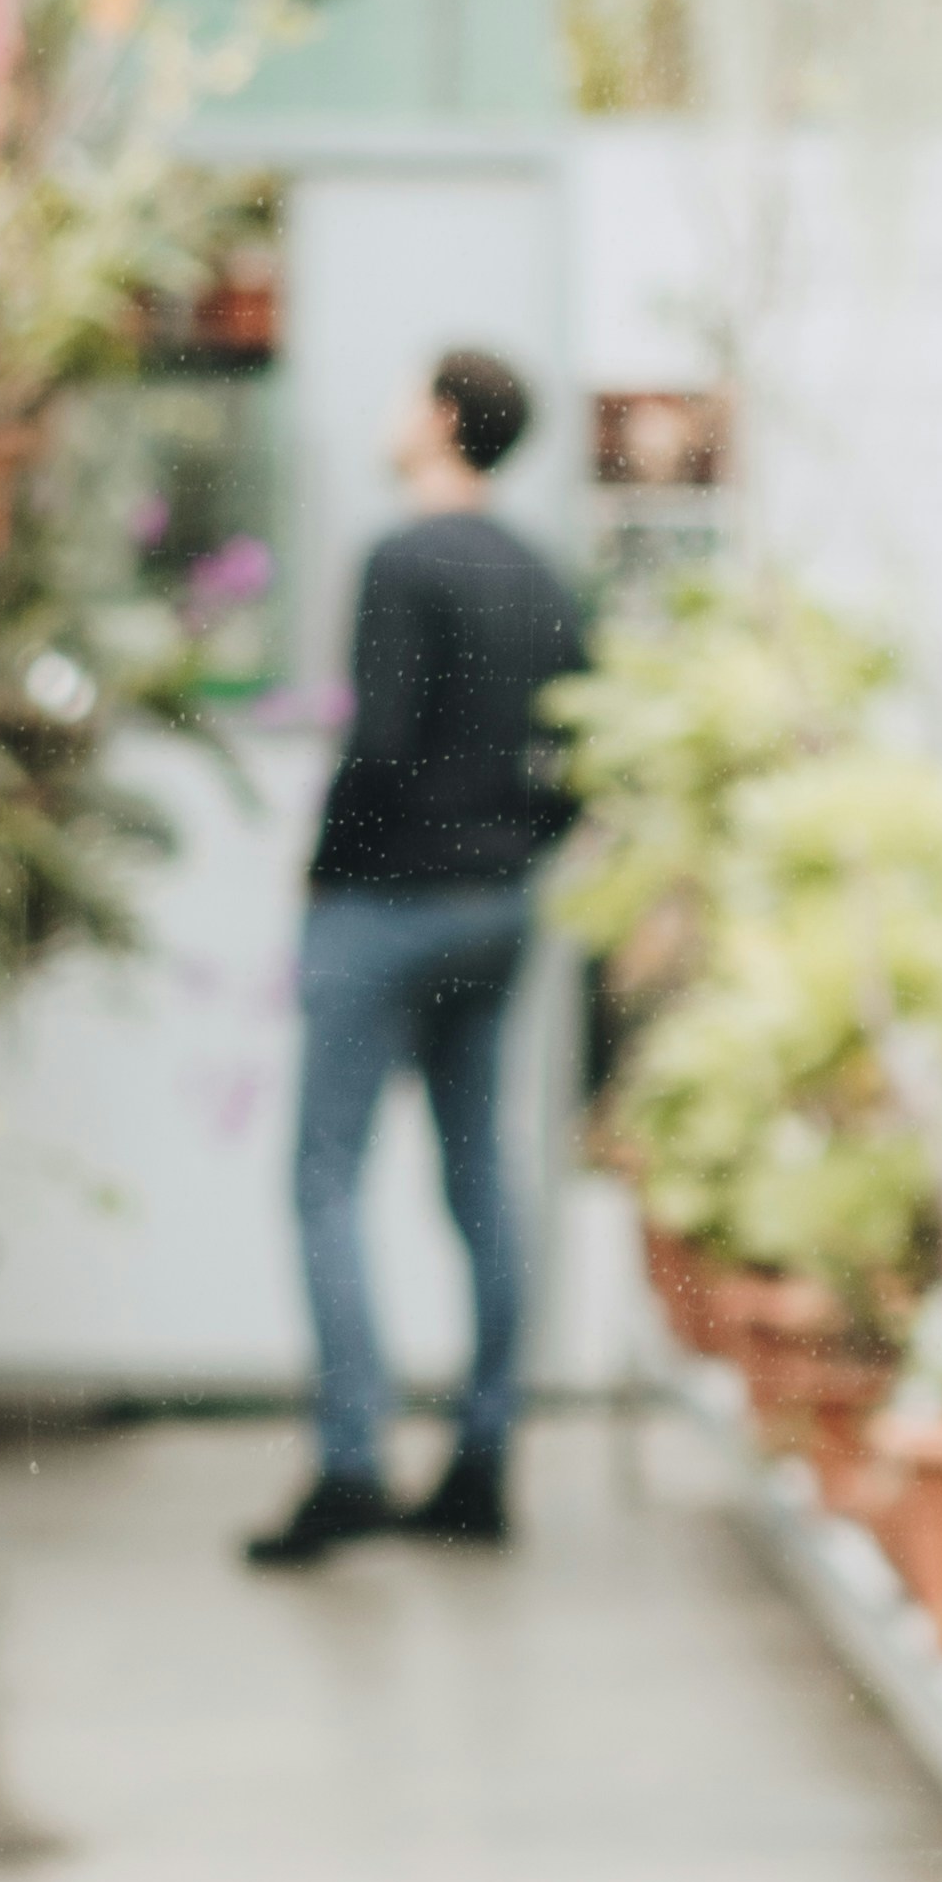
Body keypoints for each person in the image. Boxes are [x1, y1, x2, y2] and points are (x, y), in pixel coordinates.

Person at [246, 345, 595, 1562]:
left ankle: (352, 1461)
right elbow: (582, 758)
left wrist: (323, 872)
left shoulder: (401, 559)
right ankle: (483, 1459)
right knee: (479, 1177)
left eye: (408, 395)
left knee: (325, 1176)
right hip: (497, 910)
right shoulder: (546, 574)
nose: (392, 413)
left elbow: (378, 747)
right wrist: (517, 851)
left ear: (444, 418)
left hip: (386, 905)